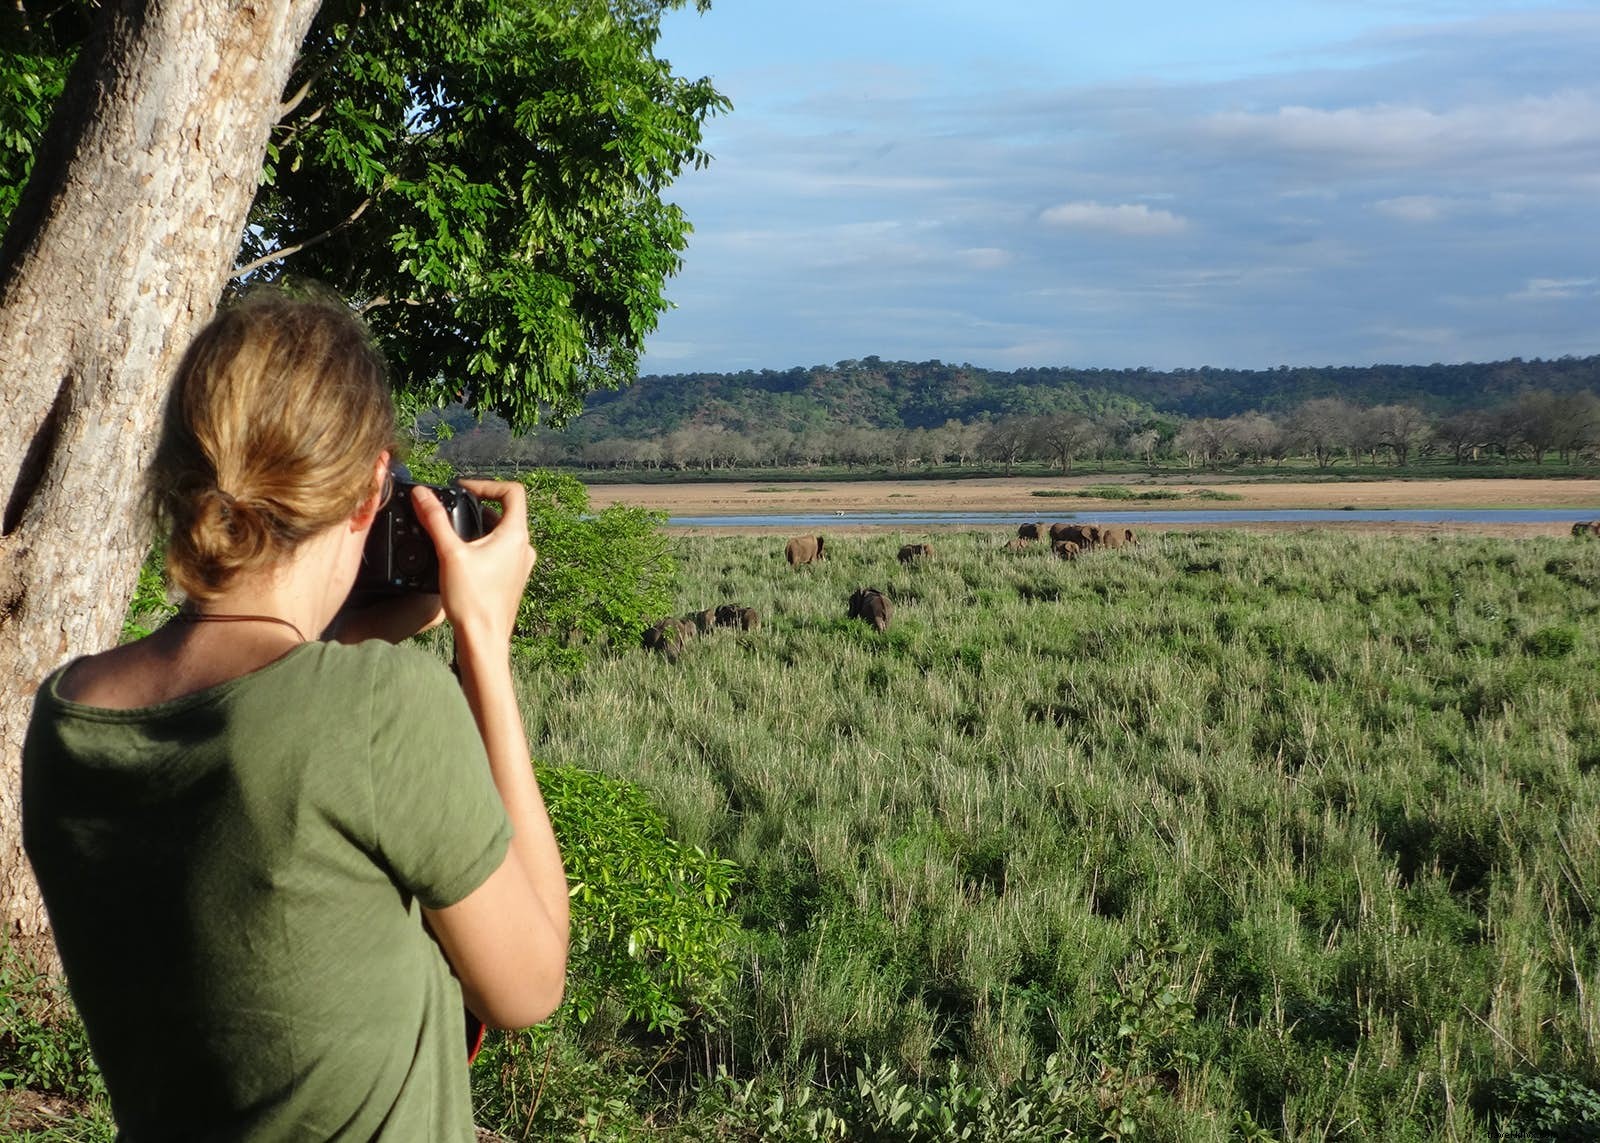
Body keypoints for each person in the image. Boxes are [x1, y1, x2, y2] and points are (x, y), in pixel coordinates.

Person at [21, 292, 569, 1141]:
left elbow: (256, 734)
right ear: (368, 492)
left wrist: (343, 633)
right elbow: (528, 986)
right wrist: (484, 646)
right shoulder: (380, 709)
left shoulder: (66, 720)